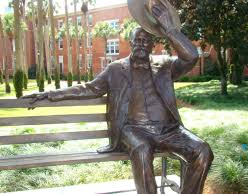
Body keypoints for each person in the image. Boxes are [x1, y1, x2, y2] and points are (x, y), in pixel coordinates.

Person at [23, 2, 213, 194]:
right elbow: (87, 89)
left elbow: (191, 57)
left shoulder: (165, 65)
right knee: (141, 149)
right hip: (134, 131)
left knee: (203, 151)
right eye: (136, 41)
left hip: (169, 130)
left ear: (152, 45)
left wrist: (170, 29)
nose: (140, 44)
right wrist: (49, 94)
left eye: (145, 41)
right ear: (130, 43)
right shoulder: (115, 70)